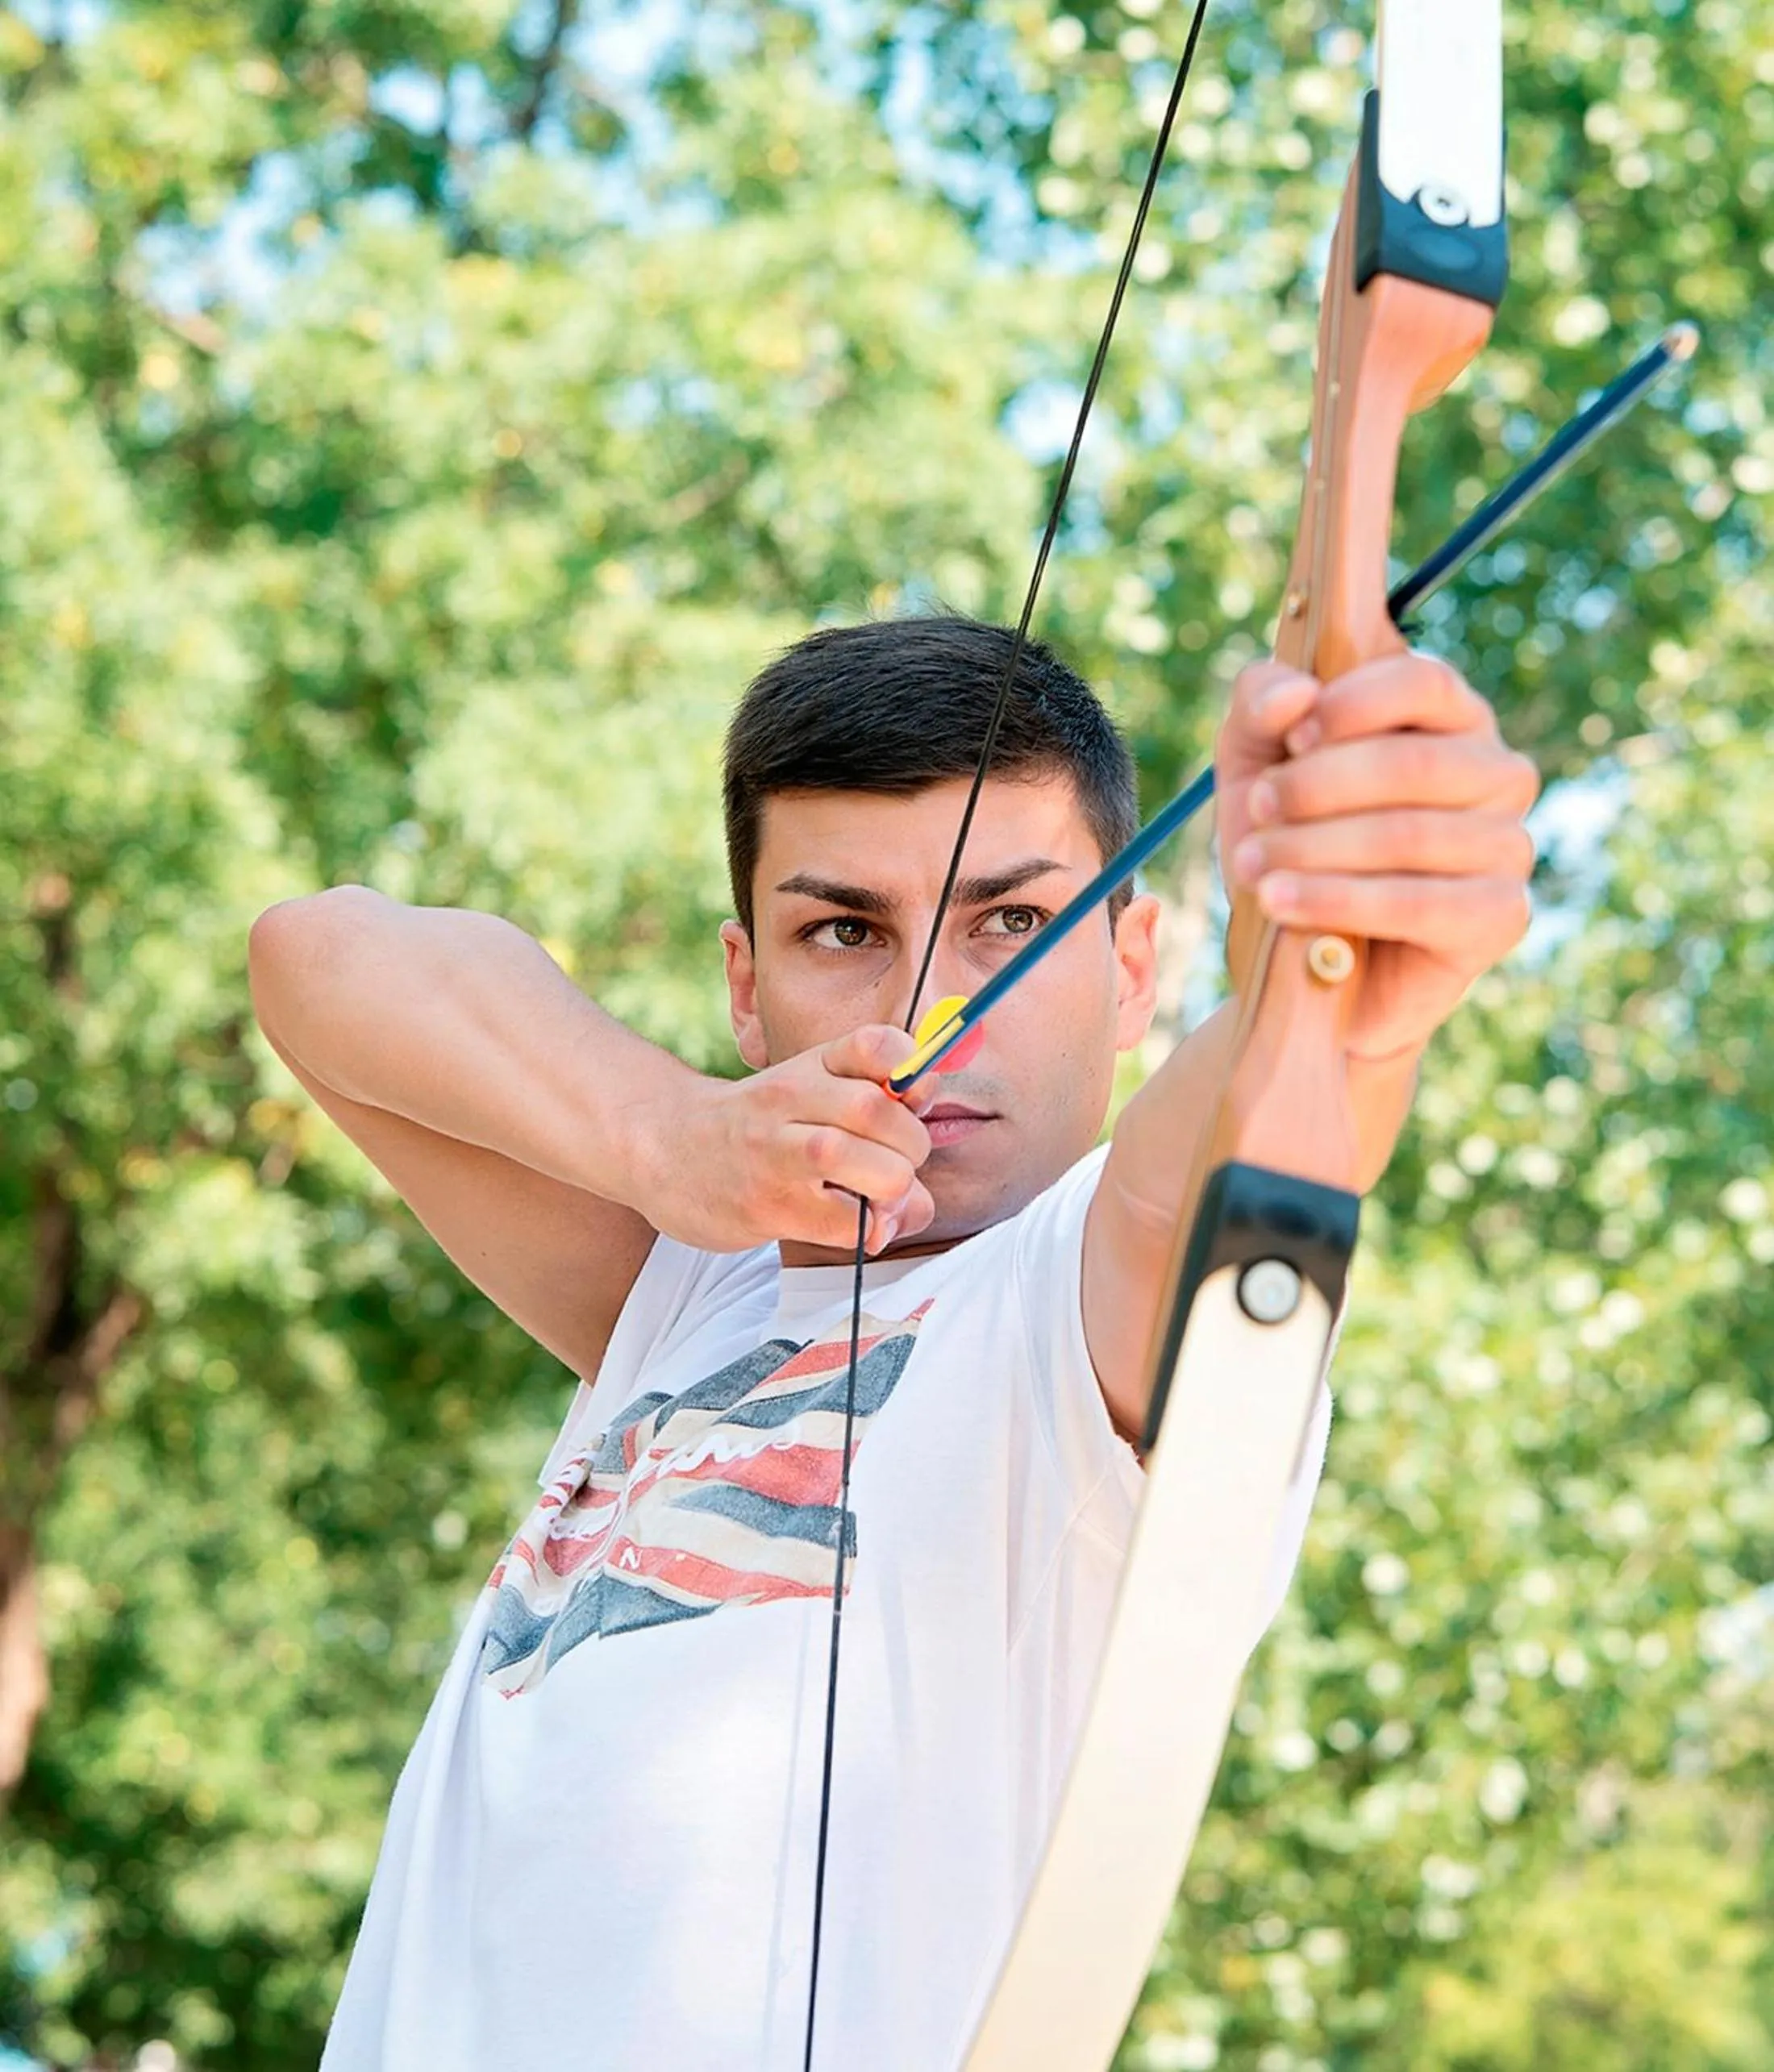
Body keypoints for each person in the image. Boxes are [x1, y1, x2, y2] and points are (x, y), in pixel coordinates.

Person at [247, 613, 1537, 2070]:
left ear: (1132, 968)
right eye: (844, 931)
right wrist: (667, 1135)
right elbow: (316, 954)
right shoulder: (680, 1290)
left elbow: (1276, 1103)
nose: (928, 1015)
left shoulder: (1081, 1314)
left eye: (1012, 923)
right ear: (748, 984)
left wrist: (1353, 944)